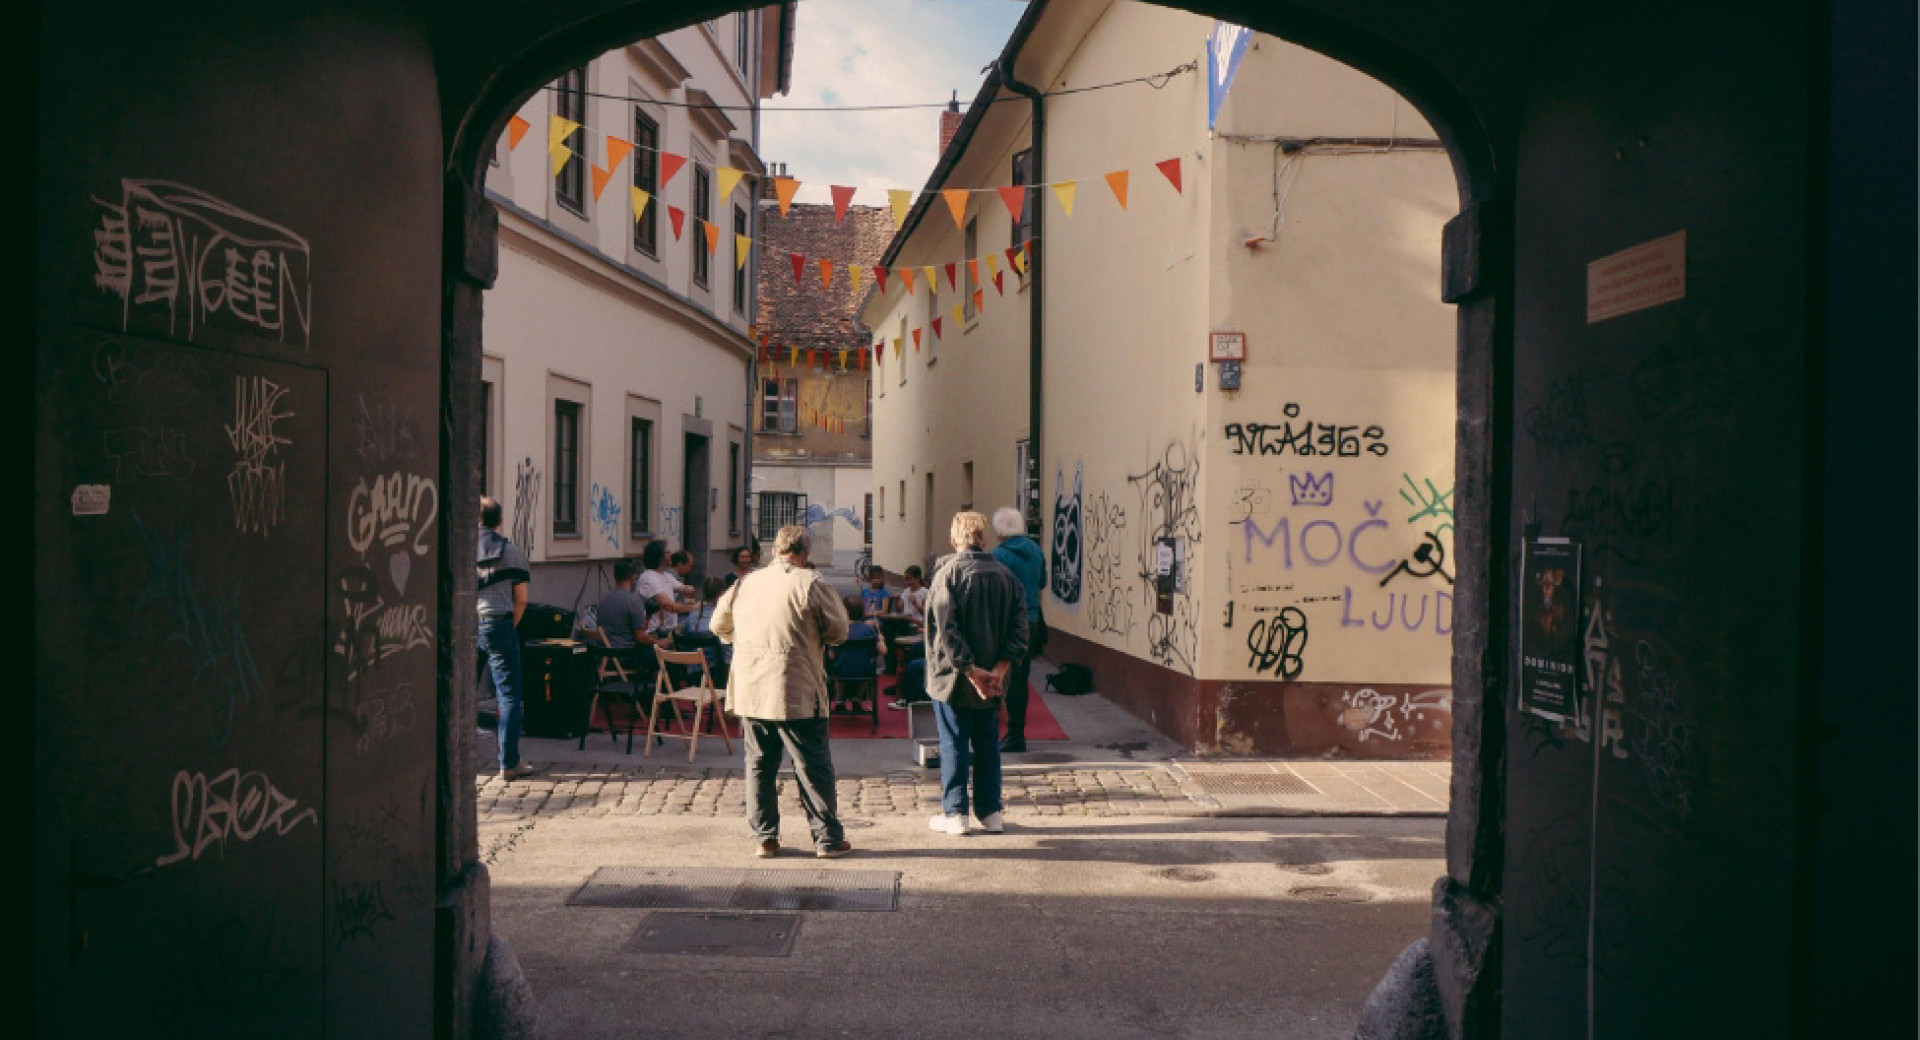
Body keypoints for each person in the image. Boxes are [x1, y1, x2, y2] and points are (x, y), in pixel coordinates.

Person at [712, 525, 854, 860]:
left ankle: (765, 838)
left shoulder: (746, 583)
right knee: (812, 764)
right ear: (805, 554)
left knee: (759, 763)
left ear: (775, 550)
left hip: (753, 687)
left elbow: (719, 626)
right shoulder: (811, 583)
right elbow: (838, 631)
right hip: (797, 688)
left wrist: (745, 642)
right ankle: (827, 839)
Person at [924, 511, 1028, 836]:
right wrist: (996, 671)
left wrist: (970, 670)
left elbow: (946, 632)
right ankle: (990, 810)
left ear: (955, 539)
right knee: (987, 742)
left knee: (954, 740)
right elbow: (1020, 631)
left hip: (953, 679)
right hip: (992, 678)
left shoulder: (948, 574)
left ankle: (955, 812)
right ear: (984, 538)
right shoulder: (1006, 576)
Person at [477, 496, 534, 782]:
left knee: (457, 693)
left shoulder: (459, 549)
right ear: (499, 521)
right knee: (509, 694)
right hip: (499, 622)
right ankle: (509, 762)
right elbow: (521, 600)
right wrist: (508, 625)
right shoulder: (512, 553)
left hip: (466, 624)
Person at [990, 507, 1048, 753]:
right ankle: (1017, 731)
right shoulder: (1035, 550)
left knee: (1005, 677)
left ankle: (1011, 733)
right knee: (1021, 679)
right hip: (1032, 618)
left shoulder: (999, 555)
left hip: (1008, 621)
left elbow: (995, 590)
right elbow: (1043, 582)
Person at [828, 595, 887, 712]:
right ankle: (857, 698)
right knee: (865, 665)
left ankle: (840, 697)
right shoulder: (868, 630)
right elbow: (883, 651)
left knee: (839, 665)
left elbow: (831, 656)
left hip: (841, 671)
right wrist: (881, 639)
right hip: (863, 671)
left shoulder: (839, 630)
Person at [638, 541, 698, 634]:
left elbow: (683, 588)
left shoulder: (666, 575)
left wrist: (688, 589)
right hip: (654, 632)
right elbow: (670, 606)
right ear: (659, 557)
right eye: (667, 552)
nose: (670, 555)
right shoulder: (648, 578)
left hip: (669, 630)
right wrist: (695, 607)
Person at [899, 565, 929, 630]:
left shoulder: (925, 592)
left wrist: (915, 604)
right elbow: (899, 608)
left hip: (919, 624)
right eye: (906, 579)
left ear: (918, 578)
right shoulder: (906, 591)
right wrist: (897, 600)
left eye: (910, 579)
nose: (908, 582)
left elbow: (926, 611)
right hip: (906, 624)